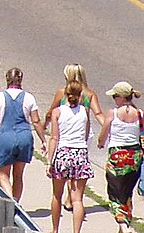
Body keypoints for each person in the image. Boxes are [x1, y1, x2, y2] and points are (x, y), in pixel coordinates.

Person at [45, 64, 105, 210]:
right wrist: (107, 129)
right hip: (84, 134)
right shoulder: (90, 94)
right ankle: (72, 199)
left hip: (65, 133)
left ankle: (69, 198)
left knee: (65, 165)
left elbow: (51, 111)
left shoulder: (62, 93)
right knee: (78, 166)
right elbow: (98, 114)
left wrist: (43, 124)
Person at [0, 67, 46, 202]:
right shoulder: (29, 97)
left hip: (6, 137)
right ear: (21, 80)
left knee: (3, 174)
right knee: (18, 175)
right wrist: (43, 140)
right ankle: (16, 202)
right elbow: (36, 121)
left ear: (7, 79)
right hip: (24, 137)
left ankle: (11, 202)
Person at [98, 81, 144, 233]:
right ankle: (125, 223)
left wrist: (101, 143)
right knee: (127, 192)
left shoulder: (113, 113)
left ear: (121, 97)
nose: (114, 99)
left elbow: (104, 132)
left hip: (117, 157)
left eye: (114, 96)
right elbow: (143, 130)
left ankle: (124, 226)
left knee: (114, 193)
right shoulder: (140, 114)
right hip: (134, 156)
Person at [46, 80, 93, 233]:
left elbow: (54, 137)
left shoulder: (57, 112)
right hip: (80, 153)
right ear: (80, 95)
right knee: (77, 199)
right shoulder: (84, 112)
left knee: (57, 195)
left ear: (65, 94)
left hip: (63, 154)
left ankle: (55, 229)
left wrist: (49, 161)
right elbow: (86, 134)